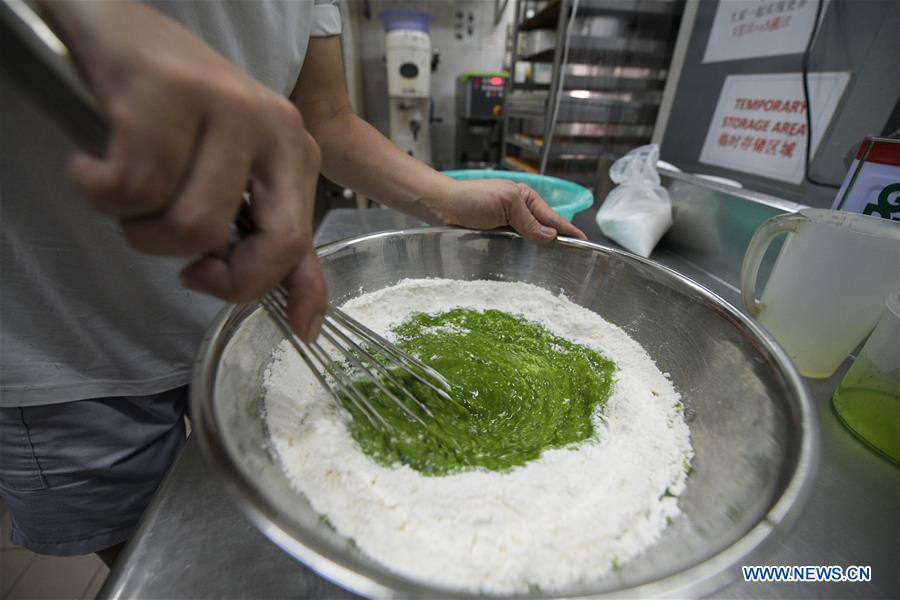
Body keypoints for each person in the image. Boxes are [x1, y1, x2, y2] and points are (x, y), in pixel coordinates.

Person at [0, 0, 586, 566]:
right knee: (149, 553)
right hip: (65, 331)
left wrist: (448, 198)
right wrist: (86, 17)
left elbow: (324, 117)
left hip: (246, 299)